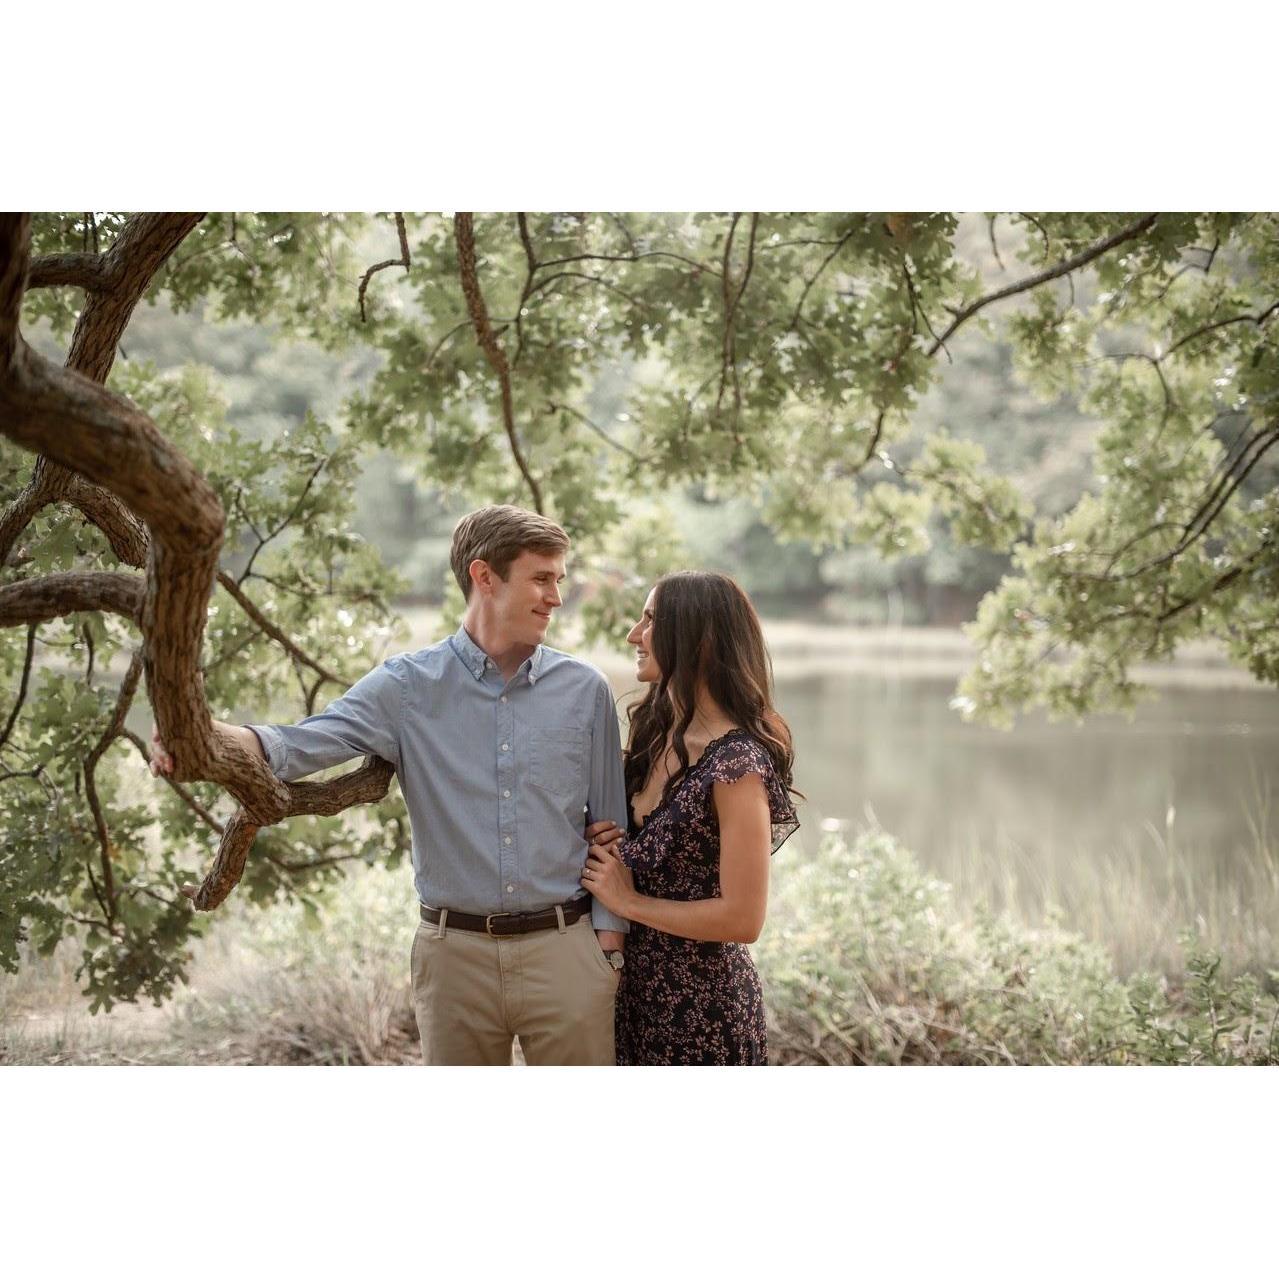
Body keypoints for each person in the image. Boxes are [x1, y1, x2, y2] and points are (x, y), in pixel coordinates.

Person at [151, 505, 629, 1066]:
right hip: (455, 963)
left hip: (566, 954)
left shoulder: (584, 689)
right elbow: (301, 744)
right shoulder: (406, 687)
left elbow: (610, 826)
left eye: (559, 581)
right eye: (541, 579)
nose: (555, 596)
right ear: (484, 577)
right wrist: (198, 736)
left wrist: (608, 949)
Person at [580, 571, 799, 1066]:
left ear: (697, 637)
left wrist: (627, 901)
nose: (635, 634)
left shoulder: (736, 764)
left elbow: (743, 919)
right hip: (632, 1001)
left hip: (702, 1013)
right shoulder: (654, 737)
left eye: (651, 619)